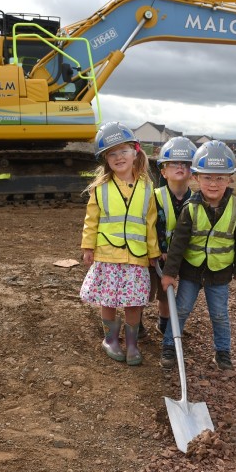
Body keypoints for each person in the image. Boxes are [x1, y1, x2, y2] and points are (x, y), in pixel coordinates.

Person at [159, 140, 236, 371]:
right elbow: (178, 243)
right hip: (191, 271)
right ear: (196, 178)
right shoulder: (191, 208)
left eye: (220, 178)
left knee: (219, 315)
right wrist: (170, 273)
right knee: (180, 310)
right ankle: (169, 346)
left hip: (219, 273)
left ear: (230, 179)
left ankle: (223, 352)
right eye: (207, 177)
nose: (213, 183)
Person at [80, 122, 161, 366]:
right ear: (105, 159)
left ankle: (133, 344)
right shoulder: (100, 188)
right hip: (107, 255)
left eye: (123, 151)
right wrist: (88, 247)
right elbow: (91, 220)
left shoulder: (147, 187)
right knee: (109, 299)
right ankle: (111, 340)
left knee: (134, 301)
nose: (118, 157)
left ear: (136, 152)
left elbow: (150, 223)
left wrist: (153, 253)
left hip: (136, 257)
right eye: (112, 153)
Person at [145, 136, 198, 338]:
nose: (180, 167)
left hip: (180, 257)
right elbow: (150, 226)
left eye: (185, 164)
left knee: (168, 293)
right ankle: (137, 323)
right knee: (147, 291)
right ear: (163, 171)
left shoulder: (195, 200)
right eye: (174, 163)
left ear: (192, 171)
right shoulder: (155, 196)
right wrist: (159, 250)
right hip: (155, 254)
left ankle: (165, 323)